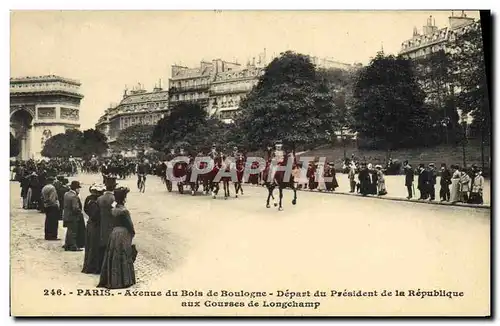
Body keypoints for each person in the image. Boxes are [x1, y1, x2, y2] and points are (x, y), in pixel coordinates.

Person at [97, 187, 136, 289]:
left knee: (112, 254)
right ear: (124, 199)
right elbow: (130, 226)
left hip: (114, 233)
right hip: (123, 233)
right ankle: (123, 279)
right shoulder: (124, 211)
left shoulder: (113, 210)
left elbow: (112, 210)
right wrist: (132, 233)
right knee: (124, 254)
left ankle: (112, 279)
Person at [82, 184, 105, 274]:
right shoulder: (97, 201)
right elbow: (97, 215)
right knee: (95, 246)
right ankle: (95, 266)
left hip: (90, 224)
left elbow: (85, 209)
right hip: (96, 226)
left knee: (89, 245)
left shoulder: (88, 199)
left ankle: (88, 264)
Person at [97, 177, 117, 269]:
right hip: (112, 224)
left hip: (102, 223)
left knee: (103, 243)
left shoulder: (100, 198)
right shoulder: (114, 199)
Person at [63, 181, 83, 251]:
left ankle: (67, 244)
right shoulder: (74, 196)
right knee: (74, 232)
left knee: (69, 230)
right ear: (76, 188)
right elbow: (75, 208)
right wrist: (80, 211)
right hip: (73, 216)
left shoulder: (66, 194)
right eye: (78, 188)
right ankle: (73, 246)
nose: (79, 190)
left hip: (66, 215)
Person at [41, 176, 60, 240]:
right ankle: (53, 236)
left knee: (48, 221)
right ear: (52, 181)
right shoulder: (52, 188)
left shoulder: (44, 187)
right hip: (52, 206)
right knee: (53, 222)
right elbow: (52, 199)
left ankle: (47, 235)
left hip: (46, 205)